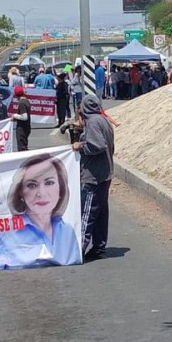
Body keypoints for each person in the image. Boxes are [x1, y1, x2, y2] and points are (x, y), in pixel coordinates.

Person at [0, 154, 80, 269]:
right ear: (20, 192)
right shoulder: (3, 234)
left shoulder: (67, 231)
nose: (41, 193)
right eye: (32, 185)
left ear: (61, 189)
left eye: (49, 183)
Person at [72, 94, 115, 260]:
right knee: (100, 213)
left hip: (94, 176)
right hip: (105, 173)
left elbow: (97, 145)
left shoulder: (93, 122)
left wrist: (79, 146)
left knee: (87, 213)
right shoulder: (103, 120)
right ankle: (99, 247)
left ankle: (79, 250)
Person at [10, 85, 31, 151]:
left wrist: (15, 115)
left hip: (22, 128)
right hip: (26, 126)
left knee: (22, 147)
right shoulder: (26, 101)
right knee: (24, 145)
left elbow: (24, 117)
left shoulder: (21, 103)